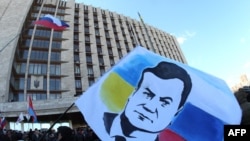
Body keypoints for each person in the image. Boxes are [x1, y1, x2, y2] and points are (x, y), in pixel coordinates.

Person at [103, 61, 192, 141]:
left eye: (164, 103)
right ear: (133, 93)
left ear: (176, 112)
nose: (150, 107)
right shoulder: (96, 121)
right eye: (147, 94)